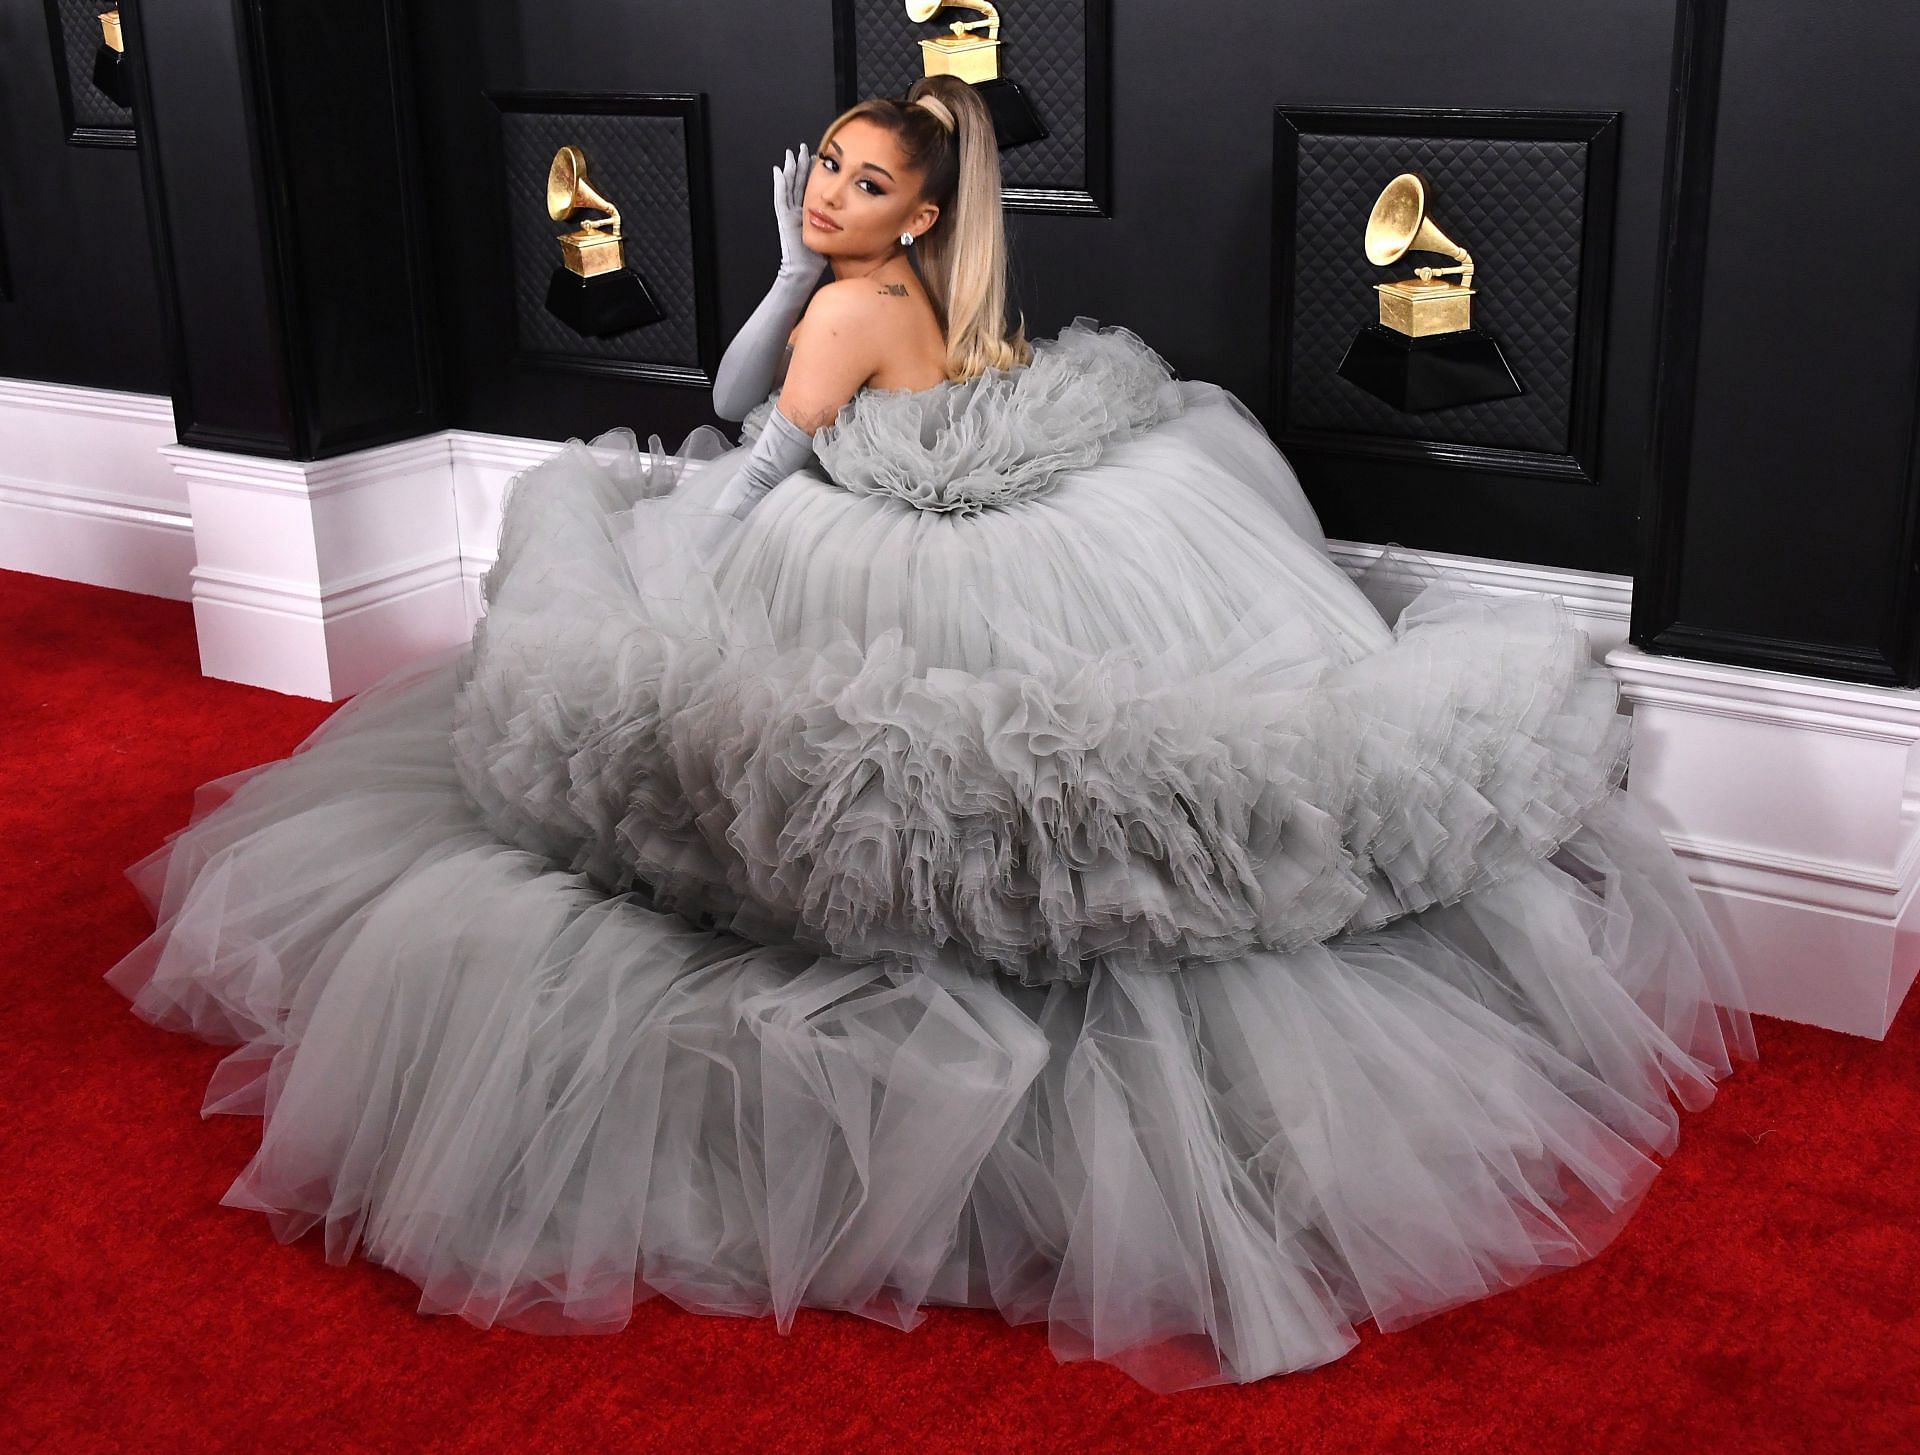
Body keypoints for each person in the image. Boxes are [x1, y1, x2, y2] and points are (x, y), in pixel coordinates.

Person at [104, 74, 1756, 1393]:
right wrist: (784, 266)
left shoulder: (847, 307)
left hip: (869, 524)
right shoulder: (891, 287)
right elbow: (784, 377)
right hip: (971, 488)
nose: (829, 193)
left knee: (838, 777)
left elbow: (750, 429)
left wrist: (693, 549)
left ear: (925, 211)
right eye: (822, 164)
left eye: (864, 183)